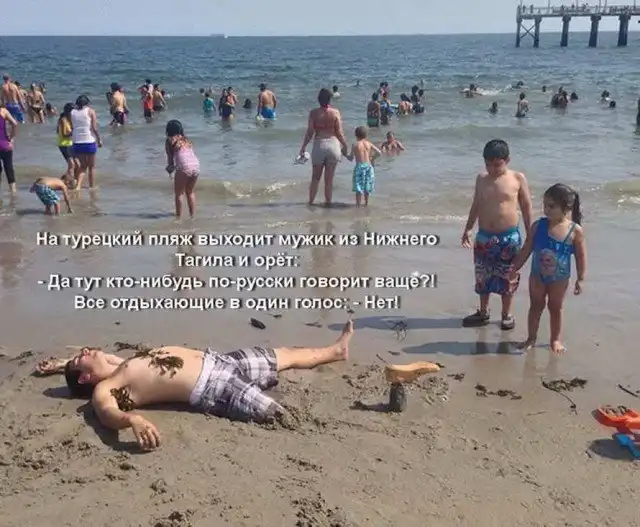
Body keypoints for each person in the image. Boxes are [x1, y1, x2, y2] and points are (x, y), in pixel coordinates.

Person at [35, 321, 354, 451]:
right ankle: (331, 442)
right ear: (85, 378)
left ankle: (335, 351)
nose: (86, 351)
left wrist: (60, 365)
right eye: (80, 358)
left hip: (220, 360)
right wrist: (132, 420)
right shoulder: (109, 387)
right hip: (213, 385)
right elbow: (106, 412)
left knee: (282, 355)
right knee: (277, 413)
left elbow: (93, 359)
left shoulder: (118, 364)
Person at [461, 139, 533, 330]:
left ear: (507, 160)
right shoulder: (481, 179)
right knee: (482, 276)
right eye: (488, 164)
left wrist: (530, 234)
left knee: (508, 277)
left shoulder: (517, 178)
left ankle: (506, 314)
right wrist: (468, 228)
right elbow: (476, 205)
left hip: (509, 239)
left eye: (497, 164)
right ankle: (483, 312)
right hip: (484, 238)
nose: (492, 169)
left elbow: (526, 207)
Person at [510, 184, 586, 353]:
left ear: (566, 208)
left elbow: (580, 257)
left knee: (555, 307)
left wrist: (580, 278)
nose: (546, 210)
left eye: (551, 206)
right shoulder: (538, 226)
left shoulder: (574, 231)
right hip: (537, 276)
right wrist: (515, 267)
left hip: (560, 279)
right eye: (544, 205)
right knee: (535, 306)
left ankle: (555, 339)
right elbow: (527, 248)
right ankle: (531, 338)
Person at [299, 87, 349, 206]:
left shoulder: (313, 113)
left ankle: (311, 203)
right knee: (329, 180)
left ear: (319, 99)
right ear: (329, 99)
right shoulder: (335, 112)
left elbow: (310, 132)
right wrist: (345, 145)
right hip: (333, 145)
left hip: (319, 145)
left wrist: (303, 147)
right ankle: (328, 203)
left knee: (315, 178)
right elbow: (339, 132)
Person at [165, 119, 200, 219]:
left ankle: (178, 217)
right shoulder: (186, 140)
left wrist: (169, 168)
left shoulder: (169, 141)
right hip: (196, 165)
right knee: (190, 192)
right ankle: (192, 215)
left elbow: (171, 161)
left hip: (184, 167)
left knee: (179, 193)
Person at [71, 94, 102, 189]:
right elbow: (94, 128)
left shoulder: (72, 112)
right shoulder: (90, 111)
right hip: (89, 141)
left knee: (83, 166)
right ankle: (92, 186)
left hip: (77, 142)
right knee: (91, 167)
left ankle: (78, 186)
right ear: (87, 103)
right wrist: (99, 139)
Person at [346, 126, 381, 207]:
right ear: (366, 135)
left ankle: (358, 205)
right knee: (367, 187)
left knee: (358, 187)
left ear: (356, 135)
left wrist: (345, 154)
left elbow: (351, 158)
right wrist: (372, 158)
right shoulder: (369, 144)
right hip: (368, 166)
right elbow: (379, 152)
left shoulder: (355, 144)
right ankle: (366, 203)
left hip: (359, 167)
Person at [0, 104, 18, 194]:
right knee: (9, 167)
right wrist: (11, 138)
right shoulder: (3, 111)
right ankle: (13, 192)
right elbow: (15, 124)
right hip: (5, 144)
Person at [57, 103, 77, 180]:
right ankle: (67, 181)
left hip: (70, 144)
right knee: (72, 164)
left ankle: (70, 179)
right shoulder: (63, 120)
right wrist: (74, 132)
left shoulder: (70, 119)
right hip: (64, 144)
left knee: (77, 164)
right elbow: (64, 134)